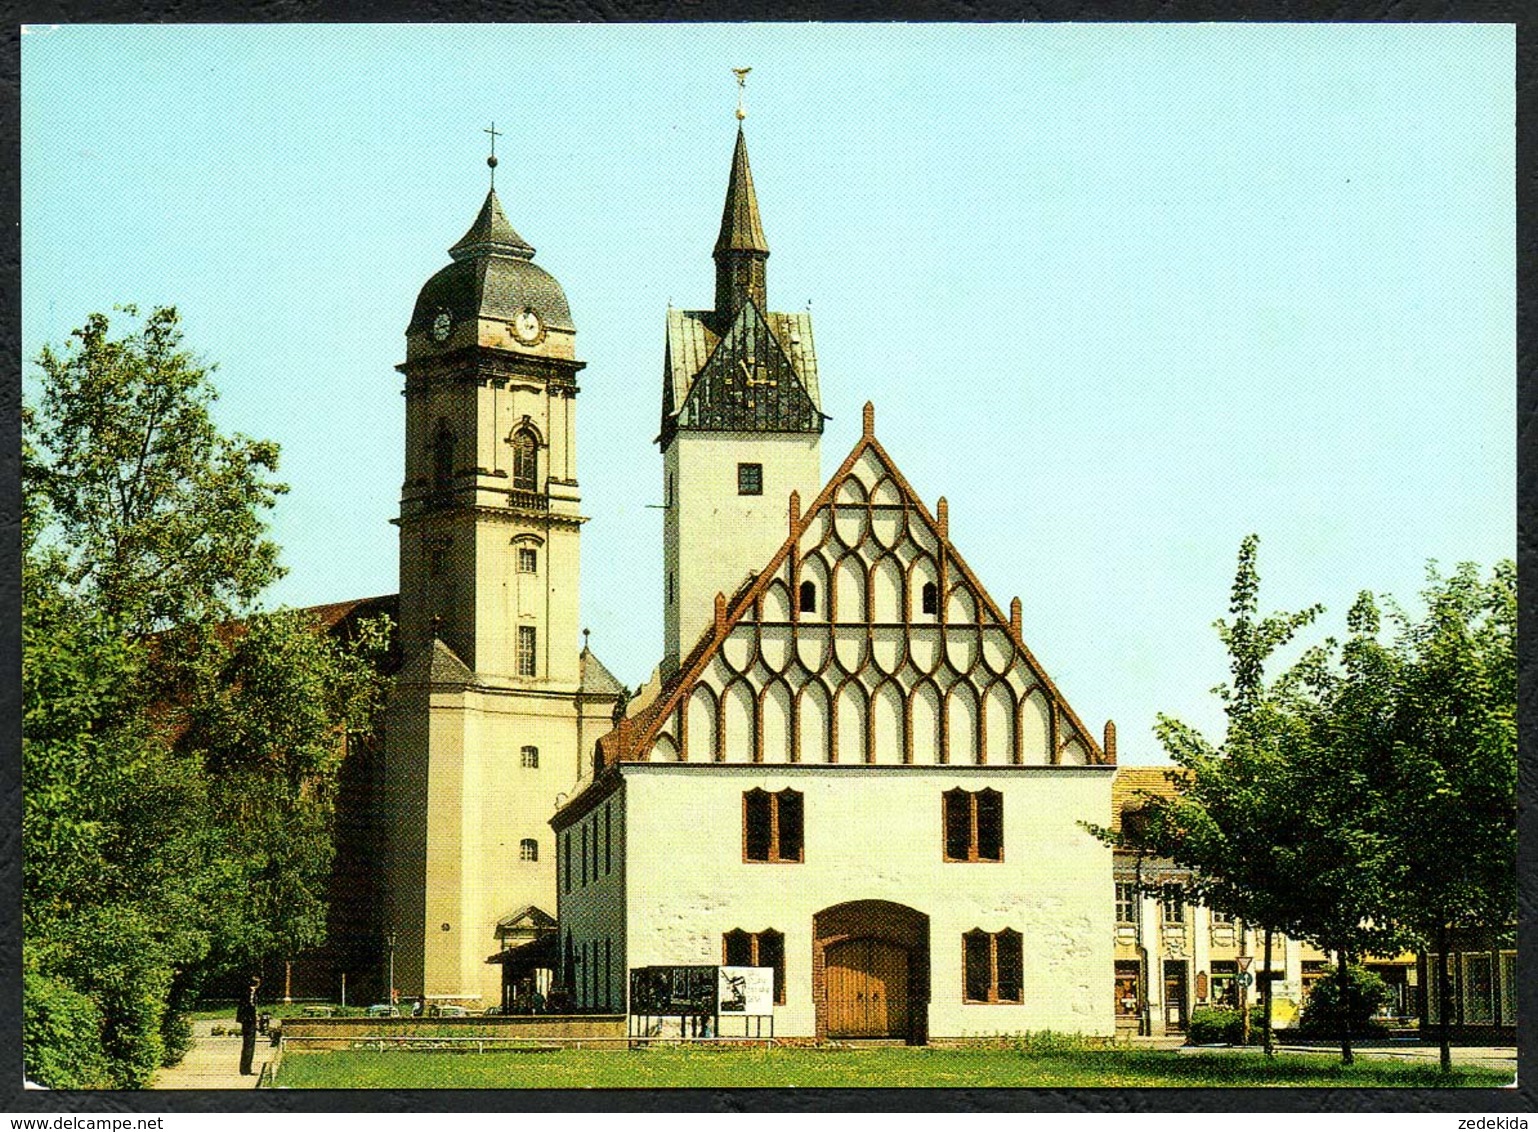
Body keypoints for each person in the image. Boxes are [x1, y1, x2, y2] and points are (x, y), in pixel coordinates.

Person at [237, 977, 261, 1076]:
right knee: (249, 1045)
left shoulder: (247, 992)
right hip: (249, 1022)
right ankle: (246, 1069)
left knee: (247, 1045)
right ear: (257, 983)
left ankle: (245, 1068)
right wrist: (256, 1018)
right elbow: (251, 1007)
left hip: (246, 1021)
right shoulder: (250, 993)